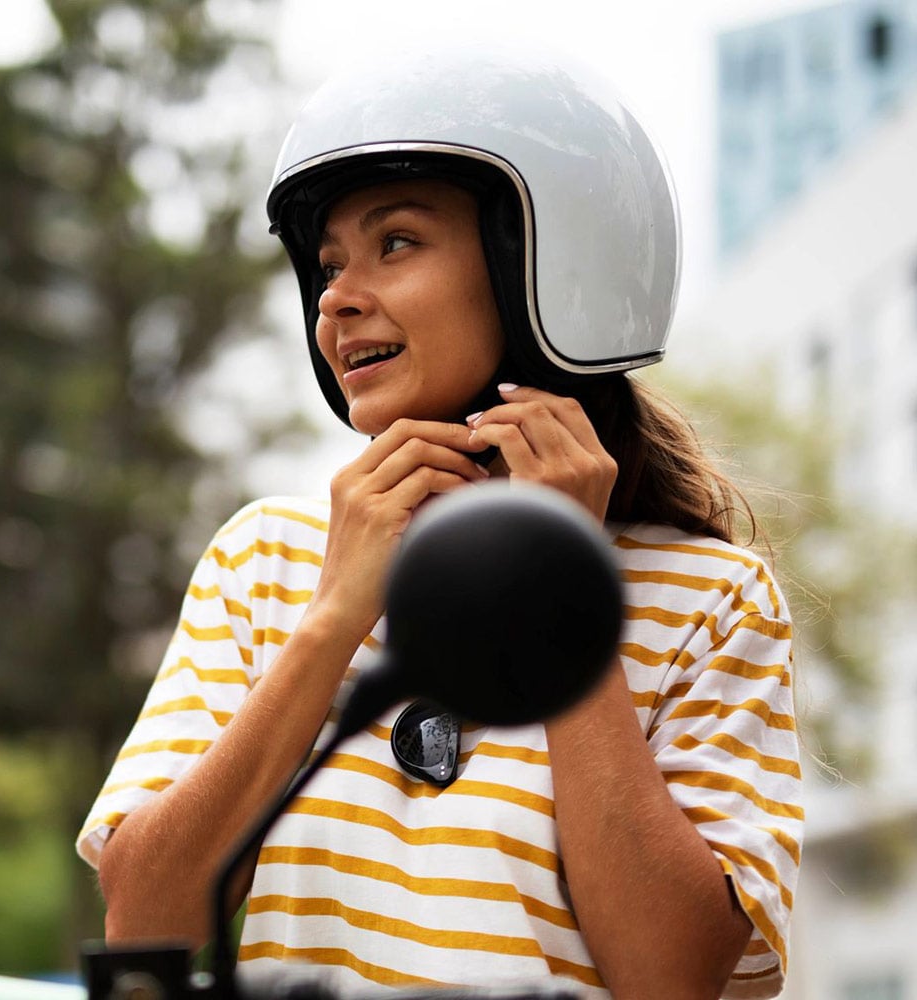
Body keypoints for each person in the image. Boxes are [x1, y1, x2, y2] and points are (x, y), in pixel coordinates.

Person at [76, 41, 802, 1000]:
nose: (337, 295)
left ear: (541, 265)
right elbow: (144, 922)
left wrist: (562, 592)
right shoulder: (266, 561)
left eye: (398, 243)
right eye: (328, 264)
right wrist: (334, 616)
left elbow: (671, 979)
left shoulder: (714, 599)